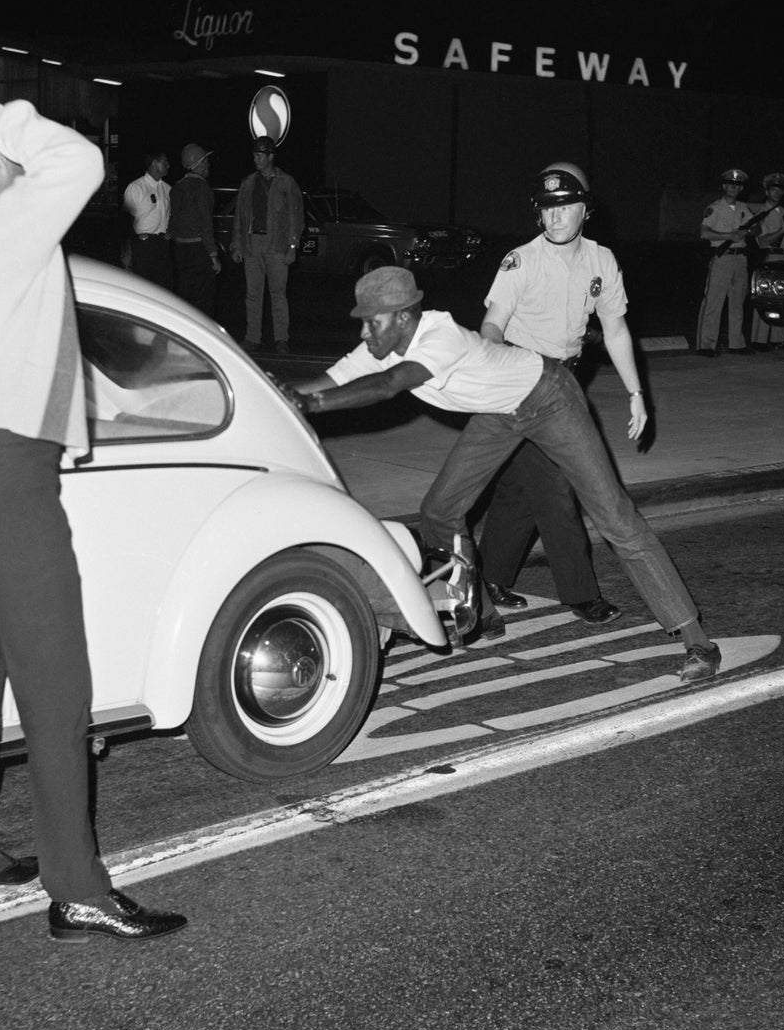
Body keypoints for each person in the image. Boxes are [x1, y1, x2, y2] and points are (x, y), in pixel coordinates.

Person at [0, 90, 186, 943]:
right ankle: (78, 885)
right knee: (56, 683)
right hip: (8, 465)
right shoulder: (9, 226)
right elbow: (80, 161)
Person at [289, 266, 723, 682]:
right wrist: (277, 391)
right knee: (440, 509)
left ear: (403, 317)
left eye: (372, 323)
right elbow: (329, 380)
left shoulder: (439, 335)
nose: (364, 334)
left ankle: (697, 640)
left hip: (550, 397)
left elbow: (388, 385)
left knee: (615, 519)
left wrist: (314, 406)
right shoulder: (379, 345)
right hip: (500, 413)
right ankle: (477, 614)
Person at [476, 163, 630, 624]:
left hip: (565, 378)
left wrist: (637, 392)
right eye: (547, 209)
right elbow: (492, 323)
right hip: (524, 380)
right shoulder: (521, 260)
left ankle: (487, 579)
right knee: (558, 486)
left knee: (519, 489)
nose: (555, 217)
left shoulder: (600, 259)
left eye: (564, 207)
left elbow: (616, 328)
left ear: (585, 210)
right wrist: (495, 361)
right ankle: (580, 592)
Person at [230, 135, 302, 354]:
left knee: (278, 293)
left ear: (271, 156)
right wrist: (236, 244)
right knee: (253, 294)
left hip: (277, 245)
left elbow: (296, 217)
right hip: (253, 244)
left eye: (261, 155)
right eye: (255, 155)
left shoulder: (286, 182)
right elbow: (240, 217)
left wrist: (292, 246)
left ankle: (281, 338)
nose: (256, 159)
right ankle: (253, 337)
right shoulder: (247, 183)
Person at [696, 167, 764, 356]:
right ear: (724, 186)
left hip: (740, 259)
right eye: (730, 184)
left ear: (741, 188)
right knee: (714, 302)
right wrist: (730, 235)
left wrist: (749, 231)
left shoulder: (744, 208)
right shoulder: (714, 208)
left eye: (737, 185)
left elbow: (757, 230)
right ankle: (706, 345)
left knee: (737, 302)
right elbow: (704, 232)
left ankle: (736, 343)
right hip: (722, 258)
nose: (733, 188)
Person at [169, 142, 221, 314]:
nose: (208, 165)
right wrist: (213, 255)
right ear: (197, 165)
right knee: (204, 301)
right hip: (199, 250)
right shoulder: (202, 188)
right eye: (205, 161)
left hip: (181, 250)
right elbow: (206, 224)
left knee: (184, 297)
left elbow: (173, 223)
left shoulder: (176, 187)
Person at [749, 172, 784, 348]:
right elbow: (762, 240)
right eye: (773, 189)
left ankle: (778, 339)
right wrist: (782, 230)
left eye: (779, 190)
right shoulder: (762, 213)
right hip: (771, 256)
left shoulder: (783, 212)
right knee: (766, 299)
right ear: (767, 191)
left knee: (782, 300)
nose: (777, 192)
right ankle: (759, 340)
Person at [122, 150, 173, 290]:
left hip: (162, 245)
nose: (168, 165)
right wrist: (129, 248)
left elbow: (171, 216)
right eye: (165, 162)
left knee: (164, 289)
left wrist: (170, 231)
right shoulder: (136, 188)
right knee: (143, 288)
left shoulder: (168, 189)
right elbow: (126, 221)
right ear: (155, 164)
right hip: (143, 246)